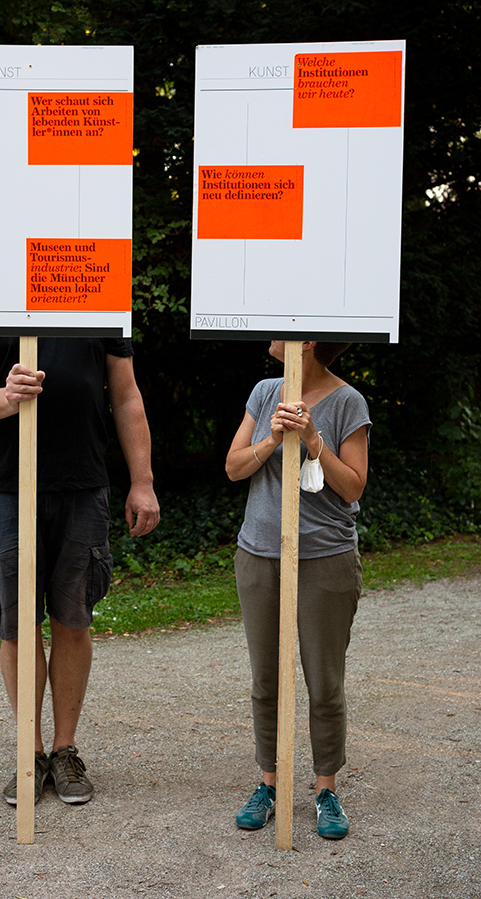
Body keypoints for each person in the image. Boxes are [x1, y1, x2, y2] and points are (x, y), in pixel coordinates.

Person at [0, 336, 159, 806]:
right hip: (10, 488)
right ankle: (32, 752)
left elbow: (126, 396)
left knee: (73, 619)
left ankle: (64, 751)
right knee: (18, 626)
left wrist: (142, 481)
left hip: (83, 484)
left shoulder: (95, 299)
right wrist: (7, 397)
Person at [225, 340, 371, 840]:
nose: (270, 330)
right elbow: (233, 467)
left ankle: (326, 789)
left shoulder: (348, 401)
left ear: (305, 340)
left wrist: (313, 439)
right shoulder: (265, 391)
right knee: (265, 680)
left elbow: (353, 487)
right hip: (260, 553)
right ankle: (268, 783)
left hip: (325, 560)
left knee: (324, 683)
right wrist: (271, 439)